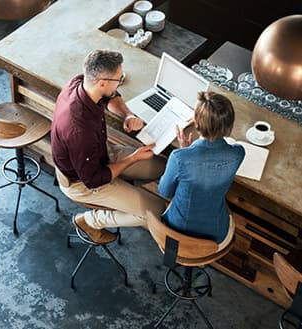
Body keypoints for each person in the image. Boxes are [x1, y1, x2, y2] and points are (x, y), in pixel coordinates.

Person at [51, 49, 166, 244]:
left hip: (101, 154)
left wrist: (128, 114)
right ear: (102, 82)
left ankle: (127, 191)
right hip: (83, 182)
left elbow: (111, 96)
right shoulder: (79, 130)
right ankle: (90, 221)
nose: (121, 81)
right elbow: (94, 179)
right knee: (156, 211)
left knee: (161, 166)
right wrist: (133, 159)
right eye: (118, 79)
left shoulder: (81, 82)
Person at [158, 91, 245, 246]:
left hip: (176, 231)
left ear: (196, 122)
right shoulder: (238, 154)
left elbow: (165, 192)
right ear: (229, 126)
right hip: (214, 236)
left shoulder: (179, 158)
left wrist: (185, 150)